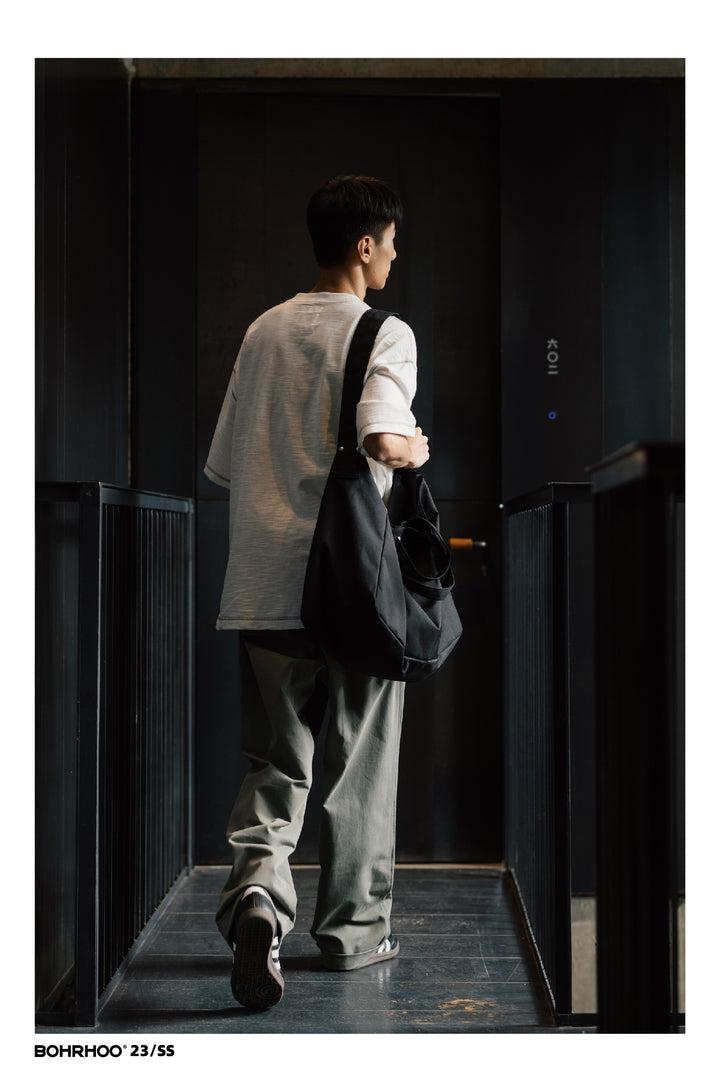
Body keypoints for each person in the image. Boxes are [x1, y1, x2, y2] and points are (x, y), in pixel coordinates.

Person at [204, 175, 430, 1010]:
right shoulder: (384, 330)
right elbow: (382, 434)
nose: (395, 257)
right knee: (358, 768)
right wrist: (412, 449)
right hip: (351, 592)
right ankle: (351, 935)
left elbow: (223, 465)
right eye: (391, 242)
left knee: (275, 763)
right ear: (364, 244)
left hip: (263, 584)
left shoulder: (262, 329)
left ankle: (258, 899)